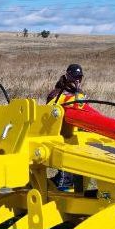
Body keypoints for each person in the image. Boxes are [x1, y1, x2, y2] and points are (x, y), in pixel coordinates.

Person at [47, 64, 84, 192]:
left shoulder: (79, 94)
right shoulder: (57, 94)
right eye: (74, 78)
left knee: (79, 170)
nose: (77, 81)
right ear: (67, 76)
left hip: (75, 136)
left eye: (79, 78)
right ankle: (61, 192)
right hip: (61, 135)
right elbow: (50, 113)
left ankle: (76, 191)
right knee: (66, 174)